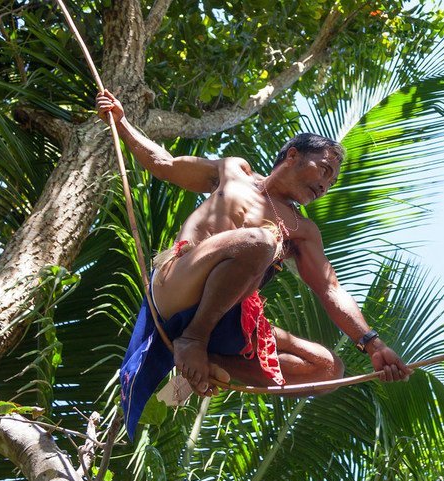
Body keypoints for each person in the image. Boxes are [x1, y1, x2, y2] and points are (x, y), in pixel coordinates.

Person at [97, 90, 412, 436]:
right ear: (292, 156)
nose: (326, 184)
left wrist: (373, 344)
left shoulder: (303, 231)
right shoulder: (234, 171)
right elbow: (165, 165)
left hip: (228, 314)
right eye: (324, 169)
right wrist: (122, 122)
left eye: (332, 180)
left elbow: (330, 289)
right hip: (180, 282)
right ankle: (193, 340)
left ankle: (210, 363)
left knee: (327, 369)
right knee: (263, 239)